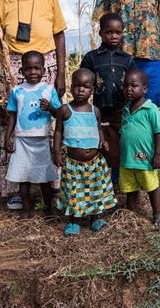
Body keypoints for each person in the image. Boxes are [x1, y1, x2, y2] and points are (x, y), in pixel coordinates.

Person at [0, 0, 67, 211]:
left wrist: (62, 75)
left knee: (48, 122)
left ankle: (52, 184)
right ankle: (13, 187)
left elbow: (59, 36)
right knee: (10, 122)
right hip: (12, 65)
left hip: (46, 64)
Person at [54, 69, 117, 236]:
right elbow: (58, 132)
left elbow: (98, 129)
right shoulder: (65, 110)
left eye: (86, 86)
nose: (81, 90)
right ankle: (73, 222)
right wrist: (57, 153)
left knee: (95, 190)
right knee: (74, 191)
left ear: (92, 90)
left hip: (94, 162)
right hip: (74, 163)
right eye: (77, 86)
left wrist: (102, 142)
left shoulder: (94, 110)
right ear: (71, 87)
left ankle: (95, 219)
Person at [4, 51, 61, 220]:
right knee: (23, 177)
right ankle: (26, 210)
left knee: (44, 177)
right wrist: (8, 136)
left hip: (41, 139)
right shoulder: (17, 91)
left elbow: (59, 114)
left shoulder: (49, 90)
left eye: (37, 68)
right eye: (28, 69)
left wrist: (50, 108)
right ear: (22, 71)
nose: (33, 72)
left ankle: (48, 208)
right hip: (22, 140)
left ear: (44, 71)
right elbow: (13, 115)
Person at [80, 12, 136, 184]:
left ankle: (120, 180)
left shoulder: (127, 60)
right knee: (103, 144)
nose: (114, 36)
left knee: (121, 143)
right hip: (100, 111)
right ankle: (103, 181)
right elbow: (84, 80)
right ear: (101, 33)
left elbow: (133, 83)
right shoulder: (91, 58)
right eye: (109, 32)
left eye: (118, 32)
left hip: (122, 110)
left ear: (122, 34)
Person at [119, 69, 160, 226]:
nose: (129, 89)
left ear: (144, 89)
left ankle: (157, 215)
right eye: (126, 86)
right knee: (130, 189)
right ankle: (131, 214)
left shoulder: (150, 109)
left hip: (144, 158)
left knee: (152, 187)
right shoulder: (126, 109)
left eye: (134, 85)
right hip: (127, 159)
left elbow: (159, 131)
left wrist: (158, 155)